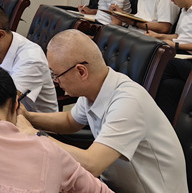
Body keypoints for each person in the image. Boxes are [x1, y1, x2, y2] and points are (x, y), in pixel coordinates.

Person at [18, 29, 187, 193]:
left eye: (56, 75)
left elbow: (92, 164)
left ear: (81, 71)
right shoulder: (95, 87)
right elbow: (70, 121)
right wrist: (28, 116)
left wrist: (33, 134)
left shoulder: (128, 102)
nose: (56, 81)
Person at [148, 0, 192, 120]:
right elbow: (180, 35)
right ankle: (161, 124)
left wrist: (177, 45)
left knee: (165, 64)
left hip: (187, 58)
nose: (171, 0)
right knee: (169, 85)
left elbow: (179, 41)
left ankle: (144, 109)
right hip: (183, 56)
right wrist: (159, 36)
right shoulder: (185, 10)